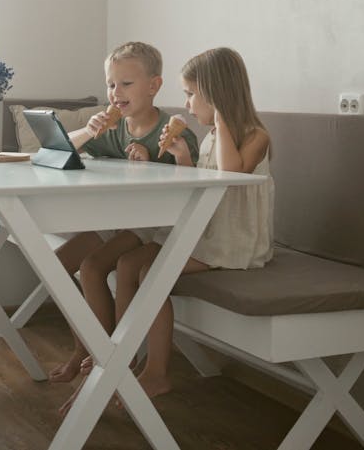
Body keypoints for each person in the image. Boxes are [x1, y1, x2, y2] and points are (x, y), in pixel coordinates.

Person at [114, 46, 274, 400]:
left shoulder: (254, 136)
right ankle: (121, 359)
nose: (186, 104)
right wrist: (184, 158)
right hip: (207, 231)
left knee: (149, 273)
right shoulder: (213, 139)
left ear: (215, 95)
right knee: (127, 264)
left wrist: (220, 119)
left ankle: (157, 372)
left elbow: (231, 176)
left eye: (190, 94)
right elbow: (204, 187)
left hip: (234, 242)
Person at [48, 41, 199, 390]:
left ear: (154, 85)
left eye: (126, 84)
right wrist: (89, 130)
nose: (116, 93)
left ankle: (111, 354)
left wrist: (150, 165)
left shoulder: (173, 132)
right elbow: (56, 149)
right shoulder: (113, 127)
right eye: (111, 84)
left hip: (152, 225)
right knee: (57, 263)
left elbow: (188, 189)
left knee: (91, 266)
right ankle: (85, 347)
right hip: (115, 220)